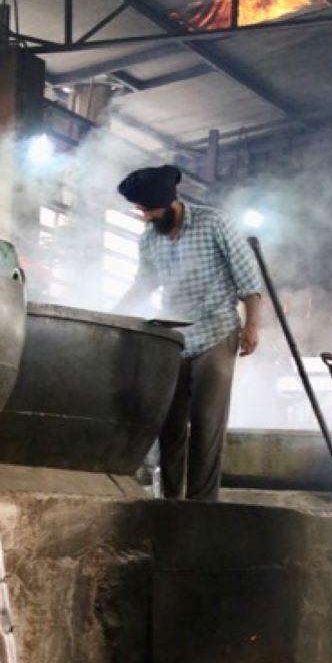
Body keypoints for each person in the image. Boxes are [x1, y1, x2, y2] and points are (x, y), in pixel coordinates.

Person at [116, 164, 262, 502]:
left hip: (216, 331)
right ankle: (170, 503)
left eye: (148, 209)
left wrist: (252, 324)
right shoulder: (149, 239)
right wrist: (112, 315)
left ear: (169, 203)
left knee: (207, 425)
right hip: (175, 339)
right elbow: (144, 284)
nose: (145, 217)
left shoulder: (215, 223)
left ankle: (201, 506)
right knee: (169, 426)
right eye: (140, 210)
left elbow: (248, 278)